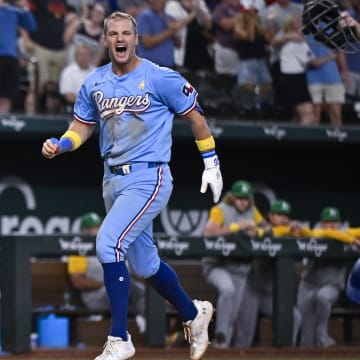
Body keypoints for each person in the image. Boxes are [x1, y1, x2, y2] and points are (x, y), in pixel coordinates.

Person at [41, 11, 223, 360]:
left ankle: (120, 338)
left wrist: (211, 164)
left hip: (148, 175)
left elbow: (196, 118)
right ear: (106, 40)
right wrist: (62, 144)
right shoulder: (94, 82)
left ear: (135, 39)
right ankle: (193, 313)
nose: (120, 38)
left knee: (108, 245)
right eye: (113, 33)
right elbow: (81, 127)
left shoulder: (159, 77)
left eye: (126, 33)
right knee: (145, 265)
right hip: (112, 179)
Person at [203, 180, 270, 348]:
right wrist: (236, 227)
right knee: (227, 289)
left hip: (239, 269)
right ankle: (220, 336)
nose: (243, 202)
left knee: (232, 315)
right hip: (216, 265)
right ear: (232, 197)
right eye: (239, 198)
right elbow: (209, 233)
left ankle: (222, 346)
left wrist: (258, 231)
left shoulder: (252, 212)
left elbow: (268, 228)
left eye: (246, 199)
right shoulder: (220, 210)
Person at [234, 199, 307, 348]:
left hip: (271, 296)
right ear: (271, 216)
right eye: (279, 215)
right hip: (251, 290)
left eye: (286, 216)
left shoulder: (290, 234)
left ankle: (285, 355)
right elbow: (249, 234)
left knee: (294, 317)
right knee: (244, 339)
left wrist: (298, 230)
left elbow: (310, 238)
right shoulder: (261, 229)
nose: (283, 219)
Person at [68, 212, 147, 334]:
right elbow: (78, 281)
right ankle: (144, 318)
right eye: (95, 227)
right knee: (125, 285)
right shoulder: (79, 249)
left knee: (145, 292)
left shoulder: (110, 245)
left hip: (120, 291)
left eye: (100, 225)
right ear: (86, 231)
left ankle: (148, 320)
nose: (100, 228)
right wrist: (105, 284)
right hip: (94, 297)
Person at [297, 206, 360, 348]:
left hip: (332, 286)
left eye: (335, 222)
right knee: (306, 338)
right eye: (328, 222)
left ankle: (322, 334)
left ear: (340, 223)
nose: (332, 225)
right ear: (322, 223)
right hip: (308, 285)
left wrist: (352, 238)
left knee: (323, 297)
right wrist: (353, 241)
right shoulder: (317, 232)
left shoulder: (346, 233)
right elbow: (327, 233)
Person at [0, 0, 36, 113]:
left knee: (7, 94)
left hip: (10, 58)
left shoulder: (14, 11)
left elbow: (31, 26)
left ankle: (2, 124)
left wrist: (24, 7)